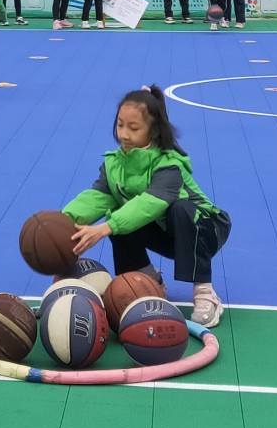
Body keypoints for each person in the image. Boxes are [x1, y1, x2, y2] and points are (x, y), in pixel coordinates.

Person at [65, 85, 232, 327]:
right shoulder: (115, 164)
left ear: (153, 131)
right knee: (120, 217)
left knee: (178, 208)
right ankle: (148, 283)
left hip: (206, 229)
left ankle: (205, 293)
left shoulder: (169, 164)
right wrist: (62, 221)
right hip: (168, 232)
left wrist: (105, 228)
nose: (123, 134)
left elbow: (151, 204)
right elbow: (97, 197)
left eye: (133, 128)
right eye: (120, 124)